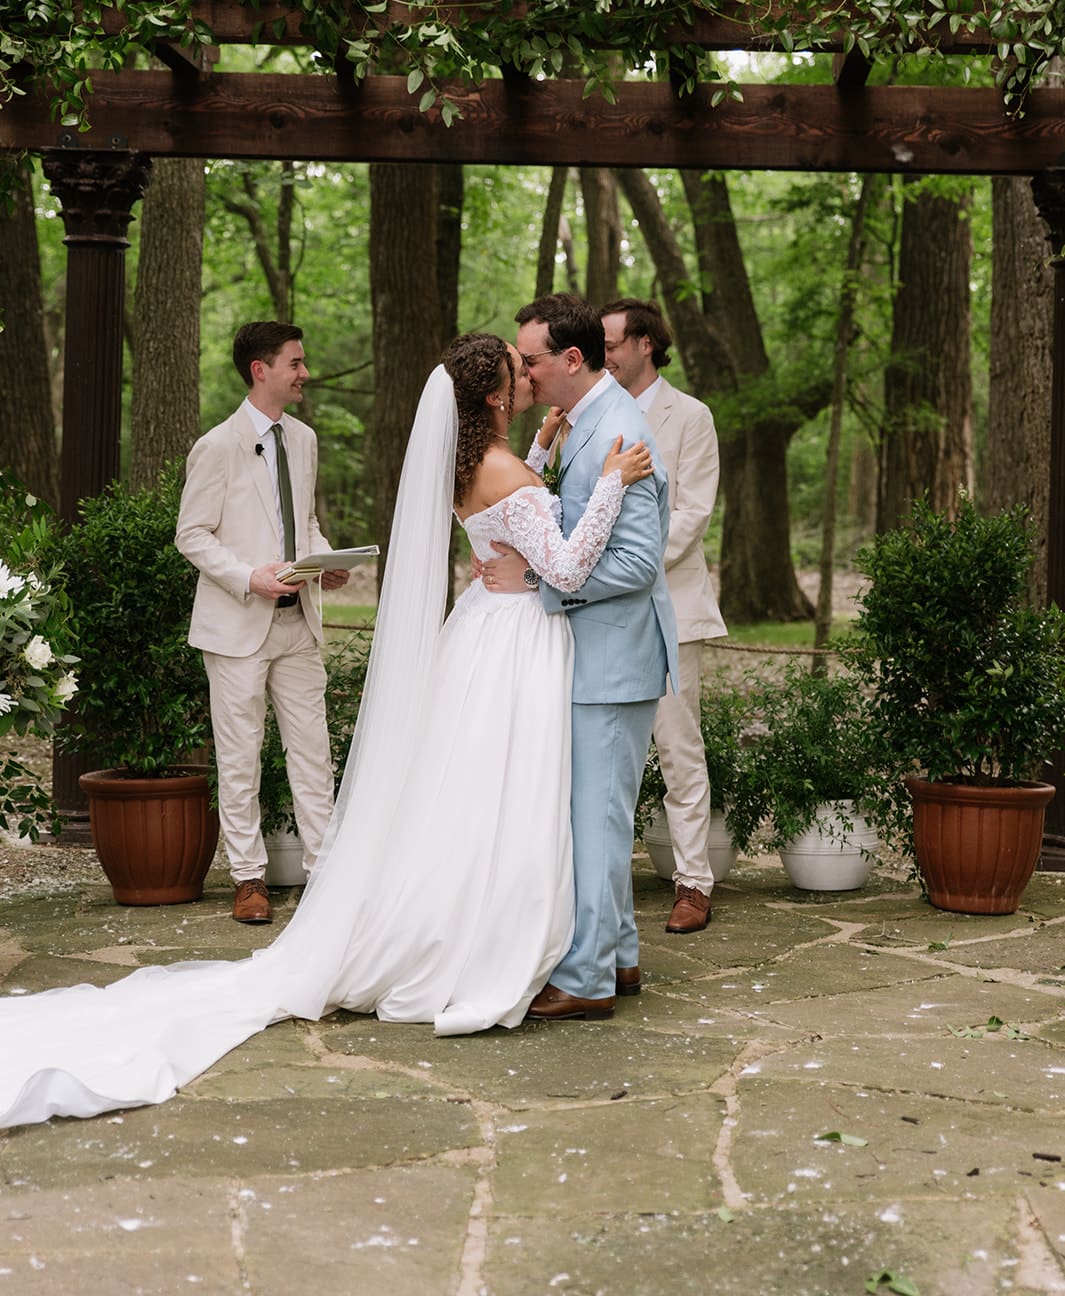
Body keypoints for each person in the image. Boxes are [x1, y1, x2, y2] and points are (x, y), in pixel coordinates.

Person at [0, 333, 652, 1129]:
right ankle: (498, 935)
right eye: (518, 375)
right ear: (492, 396)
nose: (530, 381)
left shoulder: (471, 468)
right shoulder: (505, 471)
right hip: (517, 639)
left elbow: (516, 533)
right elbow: (571, 566)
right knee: (504, 788)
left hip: (485, 627)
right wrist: (612, 484)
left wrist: (543, 461)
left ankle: (490, 925)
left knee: (470, 787)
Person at [482, 294, 679, 1021]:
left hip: (612, 659)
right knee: (595, 817)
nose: (522, 371)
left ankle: (588, 978)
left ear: (570, 359)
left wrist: (536, 581)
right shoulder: (578, 423)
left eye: (529, 359)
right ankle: (619, 957)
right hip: (589, 654)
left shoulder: (619, 434)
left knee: (593, 820)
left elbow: (634, 564)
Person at [175, 321, 350, 925]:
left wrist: (323, 562)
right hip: (237, 627)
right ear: (261, 369)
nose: (305, 373)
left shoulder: (303, 439)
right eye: (296, 363)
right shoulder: (216, 446)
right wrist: (250, 576)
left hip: (298, 622)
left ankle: (325, 874)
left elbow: (303, 523)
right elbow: (191, 535)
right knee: (240, 754)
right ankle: (248, 880)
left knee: (313, 752)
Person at [600, 298, 727, 933]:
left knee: (679, 749)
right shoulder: (592, 414)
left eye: (613, 343)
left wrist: (625, 565)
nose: (604, 354)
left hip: (672, 607)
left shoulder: (691, 417)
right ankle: (600, 878)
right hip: (600, 612)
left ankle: (693, 882)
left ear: (646, 344)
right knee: (605, 751)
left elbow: (693, 514)